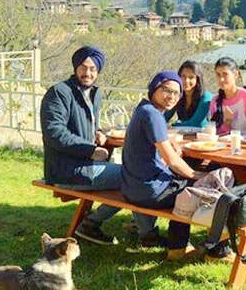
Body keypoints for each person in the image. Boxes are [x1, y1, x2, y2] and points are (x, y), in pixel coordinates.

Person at [120, 71, 211, 260]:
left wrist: (169, 141)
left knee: (182, 182)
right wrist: (196, 175)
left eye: (176, 93)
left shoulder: (144, 109)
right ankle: (182, 247)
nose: (171, 96)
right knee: (193, 190)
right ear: (154, 89)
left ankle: (178, 244)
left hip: (131, 187)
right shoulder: (153, 115)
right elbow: (172, 160)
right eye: (166, 90)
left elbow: (157, 139)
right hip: (148, 191)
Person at [40, 45, 122, 245]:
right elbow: (55, 133)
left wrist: (98, 133)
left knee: (133, 176)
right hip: (66, 170)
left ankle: (96, 223)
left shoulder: (94, 93)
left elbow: (84, 125)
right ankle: (92, 224)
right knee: (133, 177)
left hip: (83, 166)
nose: (88, 73)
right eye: (84, 67)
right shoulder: (59, 93)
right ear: (76, 68)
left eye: (93, 69)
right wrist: (90, 150)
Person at [208, 57, 246, 136]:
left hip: (245, 146)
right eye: (218, 75)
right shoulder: (215, 101)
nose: (221, 79)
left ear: (235, 74)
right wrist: (227, 122)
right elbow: (215, 134)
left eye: (225, 74)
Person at [165, 60, 213, 129]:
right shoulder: (177, 95)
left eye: (191, 77)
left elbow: (195, 123)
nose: (186, 81)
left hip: (202, 137)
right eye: (183, 76)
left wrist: (173, 126)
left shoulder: (206, 97)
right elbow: (164, 117)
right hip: (182, 136)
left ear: (198, 80)